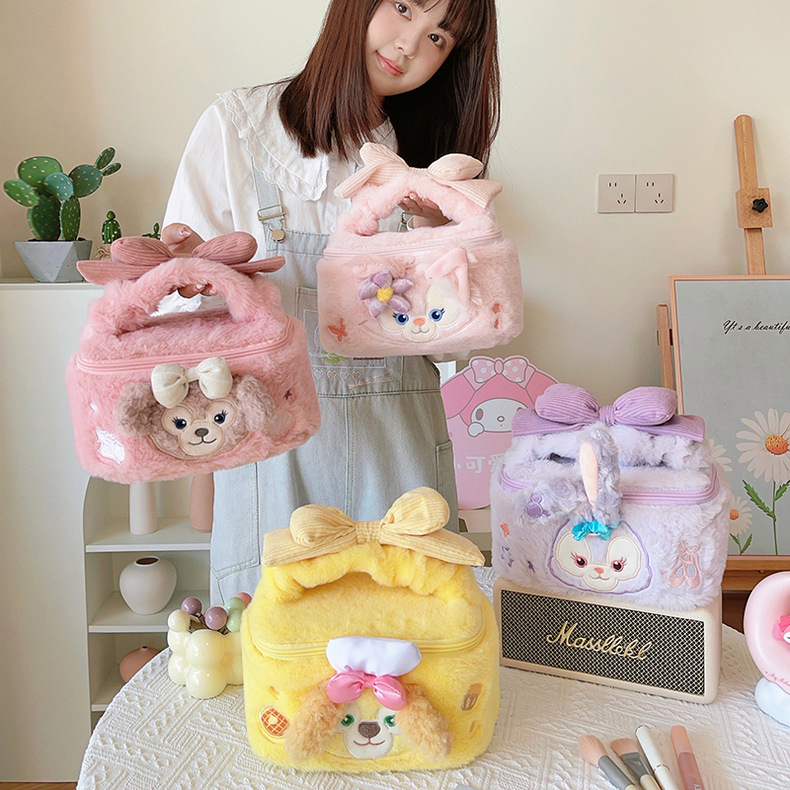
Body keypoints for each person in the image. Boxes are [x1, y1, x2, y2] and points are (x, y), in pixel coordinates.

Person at [162, 0, 501, 601]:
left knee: (410, 636)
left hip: (397, 452)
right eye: (403, 7)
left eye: (439, 38)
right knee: (274, 641)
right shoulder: (239, 127)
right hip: (271, 452)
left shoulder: (430, 158)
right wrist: (189, 280)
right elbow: (181, 314)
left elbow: (456, 345)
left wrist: (436, 240)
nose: (409, 45)